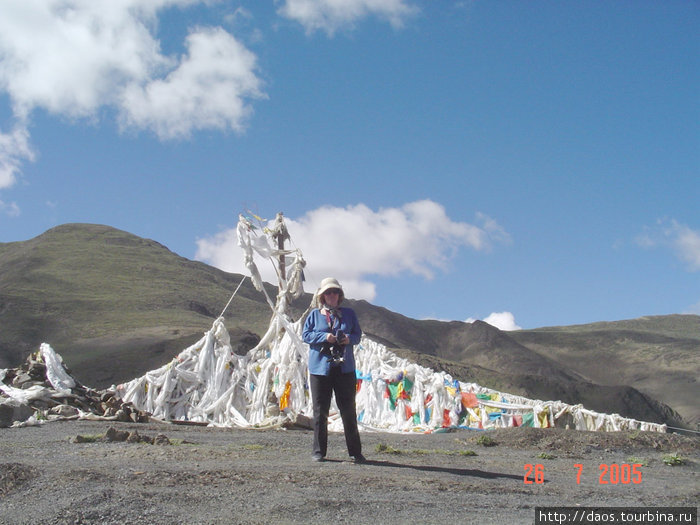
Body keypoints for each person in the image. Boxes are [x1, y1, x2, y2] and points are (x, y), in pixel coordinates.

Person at [302, 277, 365, 463]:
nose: (331, 295)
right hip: (320, 368)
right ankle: (319, 452)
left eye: (335, 292)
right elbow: (306, 335)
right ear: (322, 296)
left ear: (340, 295)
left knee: (348, 410)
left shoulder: (349, 314)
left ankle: (355, 452)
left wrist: (347, 339)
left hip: (344, 368)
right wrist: (325, 336)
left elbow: (357, 335)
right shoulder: (314, 315)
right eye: (328, 292)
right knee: (320, 410)